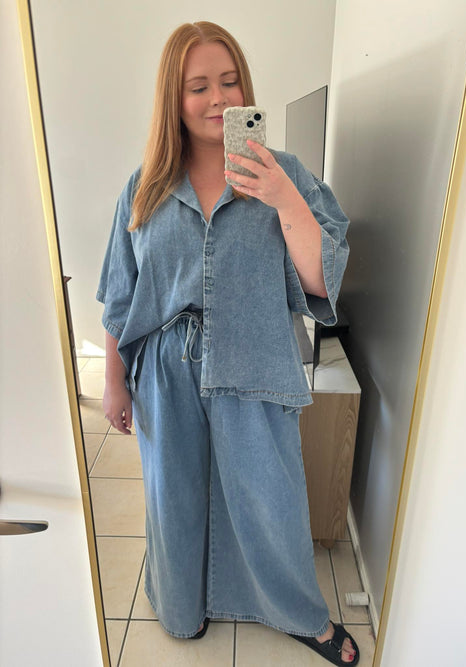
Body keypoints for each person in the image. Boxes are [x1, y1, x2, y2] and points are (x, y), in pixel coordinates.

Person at [97, 20, 359, 667]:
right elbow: (120, 294)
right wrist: (113, 381)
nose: (217, 98)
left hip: (255, 356)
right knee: (175, 498)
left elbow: (321, 278)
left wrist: (282, 197)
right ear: (174, 97)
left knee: (271, 498)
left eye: (229, 81)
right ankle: (182, 603)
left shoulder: (285, 173)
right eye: (198, 87)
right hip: (166, 372)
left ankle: (299, 613)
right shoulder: (145, 186)